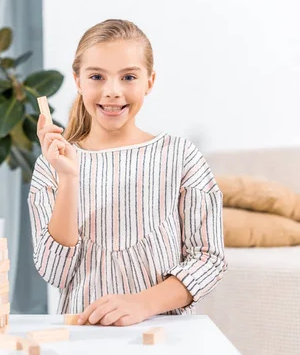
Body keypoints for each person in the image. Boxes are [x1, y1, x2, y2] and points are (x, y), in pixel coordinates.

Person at [29, 19, 227, 326]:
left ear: (149, 81)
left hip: (165, 334)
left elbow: (209, 260)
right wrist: (68, 179)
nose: (112, 92)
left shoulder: (180, 156)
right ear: (78, 81)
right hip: (84, 335)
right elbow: (55, 273)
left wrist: (142, 304)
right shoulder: (51, 166)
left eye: (128, 77)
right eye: (97, 76)